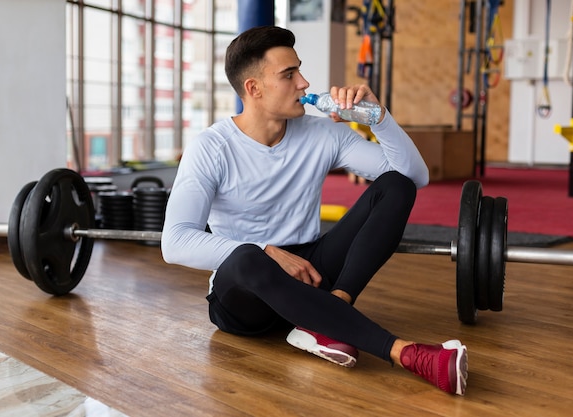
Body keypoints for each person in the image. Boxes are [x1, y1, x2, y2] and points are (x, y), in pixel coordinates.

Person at [161, 25, 468, 396]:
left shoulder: (324, 134)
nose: (305, 83)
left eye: (300, 70)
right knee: (245, 255)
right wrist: (266, 251)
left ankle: (332, 312)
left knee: (395, 186)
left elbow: (415, 176)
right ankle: (408, 354)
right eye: (289, 75)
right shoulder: (210, 148)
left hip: (312, 272)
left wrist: (378, 118)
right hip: (247, 296)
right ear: (254, 89)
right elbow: (174, 242)